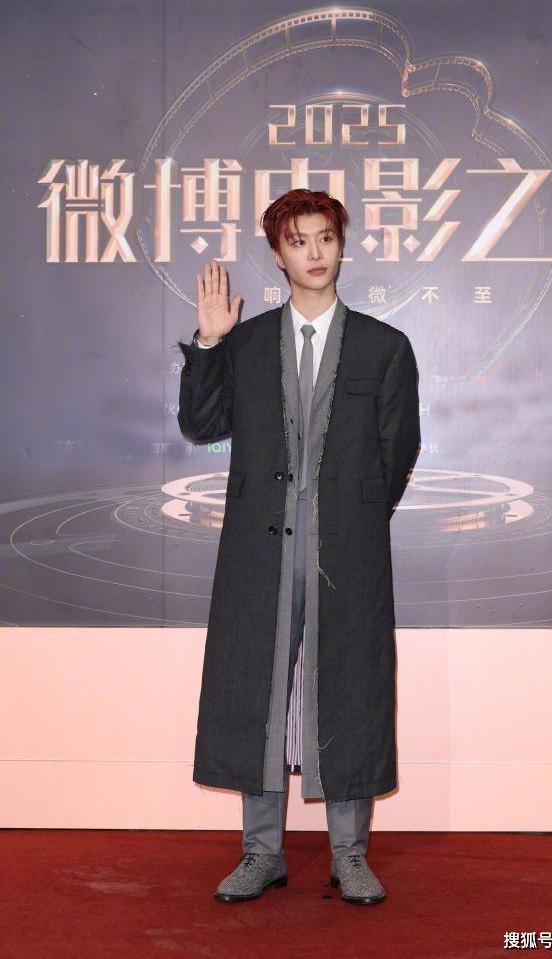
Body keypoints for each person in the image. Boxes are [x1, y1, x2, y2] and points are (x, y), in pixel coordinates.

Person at [177, 188, 420, 905]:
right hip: (259, 554)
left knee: (350, 688)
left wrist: (352, 518)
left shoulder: (384, 346)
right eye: (298, 241)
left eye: (325, 238)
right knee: (255, 689)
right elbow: (200, 423)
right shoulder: (248, 344)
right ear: (278, 255)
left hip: (347, 553)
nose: (314, 253)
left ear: (341, 246)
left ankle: (350, 855)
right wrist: (211, 344)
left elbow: (398, 449)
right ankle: (262, 853)